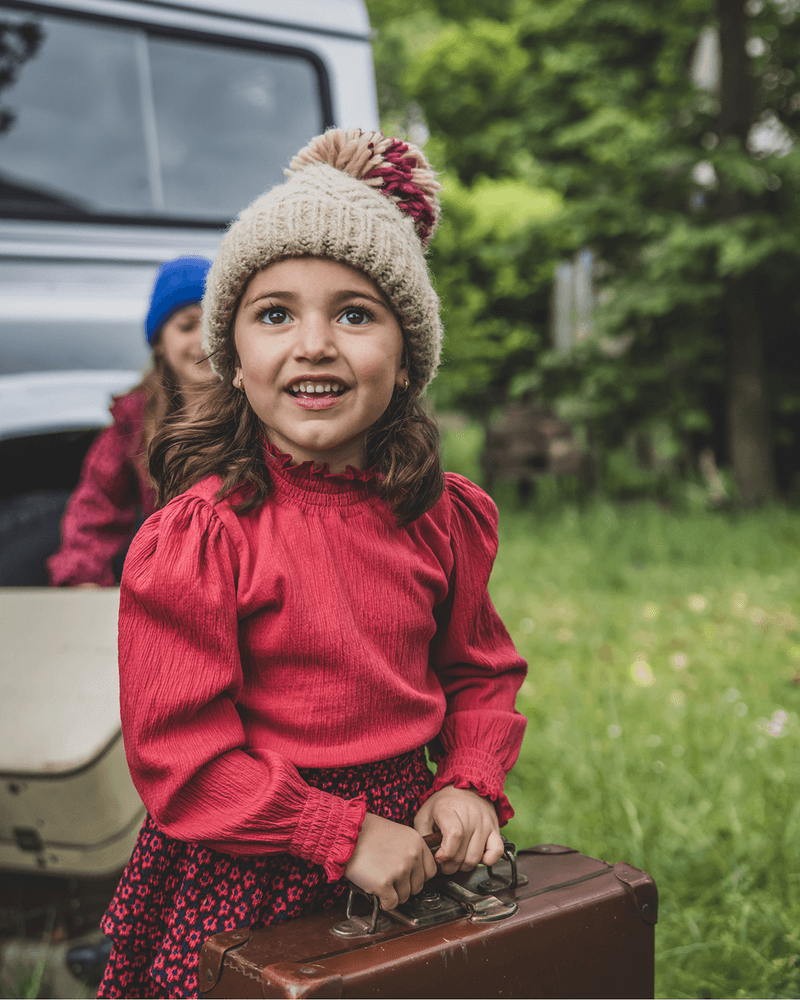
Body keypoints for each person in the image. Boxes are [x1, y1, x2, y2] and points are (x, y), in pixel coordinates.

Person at [98, 129, 527, 1000]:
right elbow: (182, 758)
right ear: (235, 354)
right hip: (251, 861)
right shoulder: (203, 535)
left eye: (356, 313)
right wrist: (338, 832)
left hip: (413, 847)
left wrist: (469, 784)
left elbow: (480, 671)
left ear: (406, 358)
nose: (315, 343)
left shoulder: (440, 516)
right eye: (276, 313)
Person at [48, 256, 213, 587]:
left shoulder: (258, 404)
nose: (204, 341)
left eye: (215, 326)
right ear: (160, 345)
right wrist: (84, 575)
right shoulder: (134, 420)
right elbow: (95, 508)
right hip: (172, 586)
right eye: (187, 326)